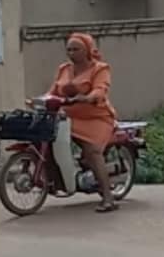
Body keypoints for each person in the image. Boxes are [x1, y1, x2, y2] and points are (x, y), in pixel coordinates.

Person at [48, 32, 119, 213]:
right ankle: (57, 181)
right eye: (69, 50)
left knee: (92, 152)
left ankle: (108, 198)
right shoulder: (64, 69)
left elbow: (100, 90)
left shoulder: (100, 69)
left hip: (96, 117)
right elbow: (54, 91)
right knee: (48, 139)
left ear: (87, 50)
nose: (71, 53)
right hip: (69, 117)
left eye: (76, 49)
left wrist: (88, 98)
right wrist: (40, 100)